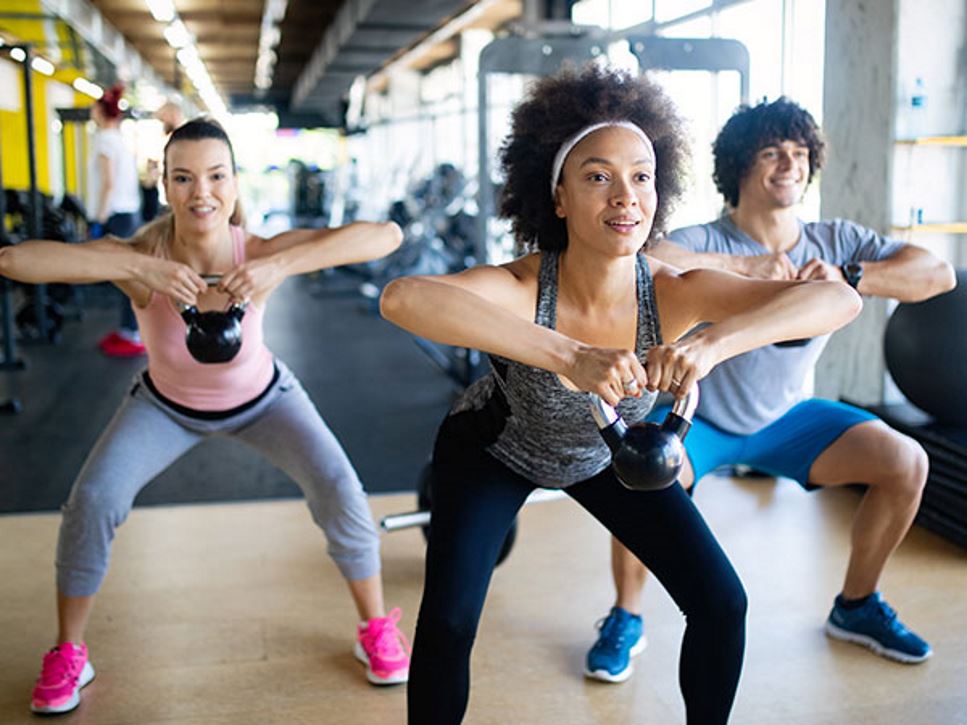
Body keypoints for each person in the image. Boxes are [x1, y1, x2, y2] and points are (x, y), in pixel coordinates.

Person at [379, 66, 862, 725]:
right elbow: (402, 298)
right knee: (451, 619)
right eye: (596, 176)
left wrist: (710, 345)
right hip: (493, 449)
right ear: (557, 198)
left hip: (607, 457)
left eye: (640, 175)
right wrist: (568, 355)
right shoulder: (525, 284)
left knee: (721, 602)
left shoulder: (673, 289)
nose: (624, 196)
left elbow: (837, 298)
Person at [0, 118, 412, 715]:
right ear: (164, 185)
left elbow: (387, 236)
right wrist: (141, 271)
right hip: (165, 407)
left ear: (236, 184)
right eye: (184, 178)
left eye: (217, 176)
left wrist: (278, 268)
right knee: (92, 501)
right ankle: (69, 650)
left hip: (267, 399)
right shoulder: (139, 257)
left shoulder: (259, 251)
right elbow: (15, 260)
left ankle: (374, 627)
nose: (202, 193)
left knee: (340, 488)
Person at [586, 97, 956, 683]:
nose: (790, 164)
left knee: (905, 461)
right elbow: (648, 254)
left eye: (800, 153)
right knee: (641, 479)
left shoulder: (836, 241)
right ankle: (625, 616)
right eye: (771, 153)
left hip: (788, 419)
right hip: (699, 419)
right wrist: (750, 270)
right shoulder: (710, 237)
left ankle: (857, 607)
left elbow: (937, 274)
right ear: (739, 165)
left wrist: (851, 275)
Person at [88, 84, 147, 358]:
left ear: (101, 112)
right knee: (127, 274)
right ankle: (130, 328)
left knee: (125, 276)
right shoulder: (119, 139)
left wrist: (97, 221)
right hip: (128, 214)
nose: (91, 111)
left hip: (117, 216)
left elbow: (108, 184)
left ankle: (131, 331)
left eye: (93, 107)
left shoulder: (104, 140)